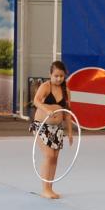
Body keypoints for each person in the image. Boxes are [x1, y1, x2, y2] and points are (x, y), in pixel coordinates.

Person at [32, 61, 73, 200]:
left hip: (57, 128)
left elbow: (67, 112)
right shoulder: (45, 86)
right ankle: (44, 189)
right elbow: (36, 101)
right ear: (50, 74)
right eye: (56, 76)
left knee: (55, 158)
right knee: (49, 155)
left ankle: (50, 188)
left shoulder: (66, 90)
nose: (59, 79)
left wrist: (70, 132)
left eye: (61, 76)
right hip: (42, 126)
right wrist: (46, 109)